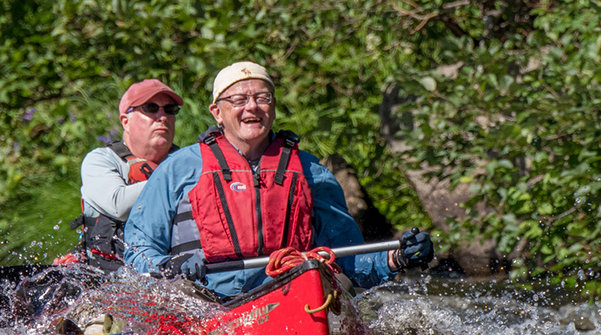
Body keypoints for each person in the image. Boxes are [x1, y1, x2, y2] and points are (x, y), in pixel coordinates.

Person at [123, 61, 433, 296]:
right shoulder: (179, 168)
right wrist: (168, 269)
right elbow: (139, 247)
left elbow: (347, 257)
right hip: (206, 300)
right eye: (239, 100)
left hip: (292, 296)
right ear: (217, 112)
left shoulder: (311, 173)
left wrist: (397, 258)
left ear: (272, 108)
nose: (252, 107)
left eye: (262, 97)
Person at [63, 79, 183, 271]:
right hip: (107, 277)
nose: (162, 116)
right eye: (151, 108)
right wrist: (177, 179)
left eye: (170, 109)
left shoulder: (187, 161)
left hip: (173, 273)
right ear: (125, 122)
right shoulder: (101, 160)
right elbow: (118, 204)